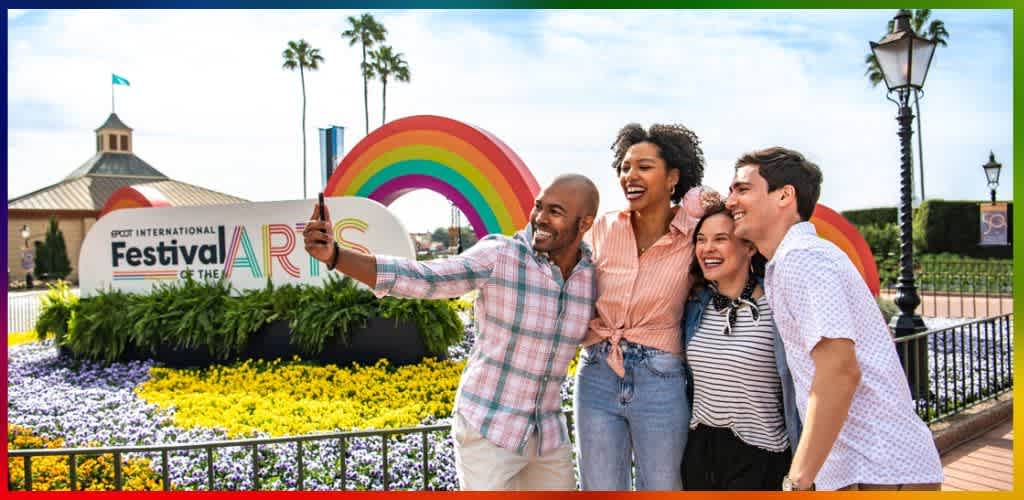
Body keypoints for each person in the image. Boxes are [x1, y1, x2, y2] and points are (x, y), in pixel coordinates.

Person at [303, 174, 600, 491]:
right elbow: (425, 278)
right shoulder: (501, 256)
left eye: (555, 211)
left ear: (585, 223)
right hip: (489, 429)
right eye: (539, 207)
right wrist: (336, 256)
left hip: (547, 436)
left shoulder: (590, 276)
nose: (540, 218)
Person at [725, 147, 943, 491]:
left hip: (878, 471)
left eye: (742, 189)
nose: (730, 201)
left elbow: (839, 371)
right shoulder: (796, 259)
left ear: (784, 195)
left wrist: (797, 481)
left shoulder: (802, 259)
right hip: (869, 469)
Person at [575, 123, 708, 490]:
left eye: (644, 167)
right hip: (597, 372)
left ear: (673, 177)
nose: (630, 176)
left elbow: (724, 210)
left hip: (660, 379)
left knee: (663, 488)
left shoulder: (695, 232)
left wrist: (697, 199)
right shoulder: (602, 229)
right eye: (625, 167)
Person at [680, 200, 802, 490]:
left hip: (760, 456)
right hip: (700, 452)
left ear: (749, 247)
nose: (707, 248)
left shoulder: (777, 305)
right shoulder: (695, 305)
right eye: (701, 239)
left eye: (720, 239)